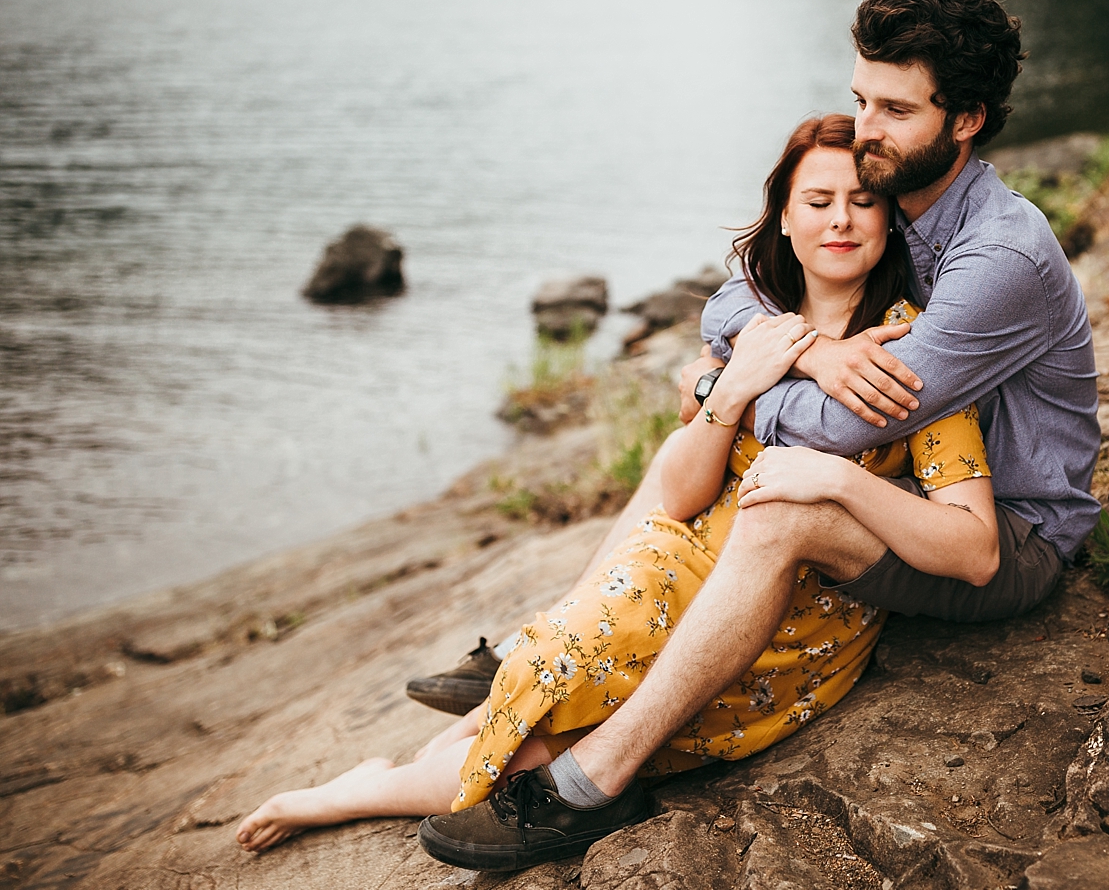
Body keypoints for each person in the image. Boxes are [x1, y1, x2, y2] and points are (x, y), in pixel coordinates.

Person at [405, 0, 1100, 872]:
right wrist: (801, 349)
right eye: (861, 98)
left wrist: (721, 389)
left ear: (962, 120)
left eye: (894, 107)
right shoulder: (900, 187)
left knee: (785, 505)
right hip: (913, 491)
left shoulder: (997, 254)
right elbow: (739, 294)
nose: (864, 128)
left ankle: (589, 783)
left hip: (999, 535)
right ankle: (556, 635)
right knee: (689, 450)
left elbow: (835, 429)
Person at [235, 113, 1002, 867]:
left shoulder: (909, 349)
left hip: (786, 627)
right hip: (678, 566)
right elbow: (683, 488)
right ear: (784, 219)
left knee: (531, 749)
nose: (840, 220)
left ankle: (359, 791)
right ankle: (418, 758)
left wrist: (839, 480)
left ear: (889, 221)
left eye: (862, 202)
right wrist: (729, 390)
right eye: (817, 201)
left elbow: (973, 547)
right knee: (553, 672)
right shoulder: (758, 326)